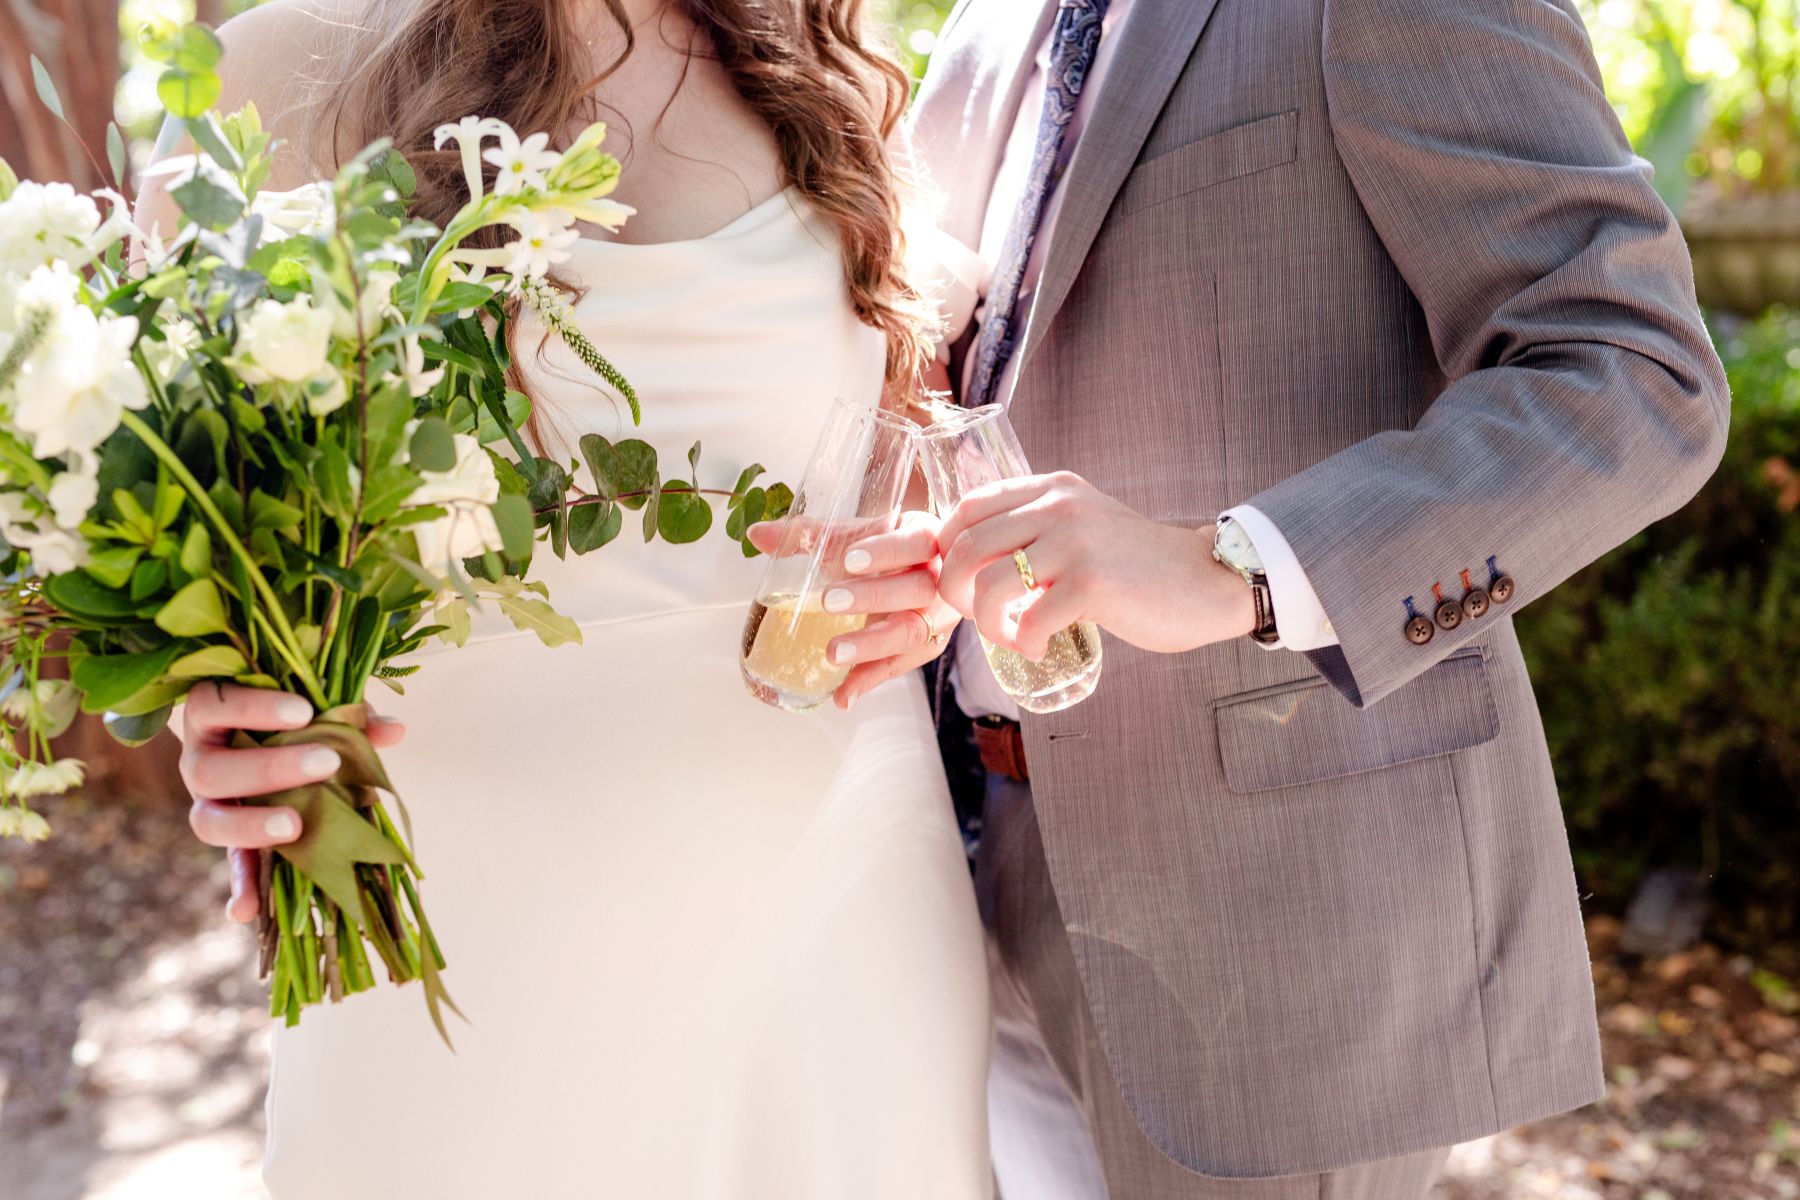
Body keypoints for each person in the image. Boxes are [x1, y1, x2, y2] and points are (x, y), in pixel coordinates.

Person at [864, 0, 1733, 1196]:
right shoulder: (979, 30)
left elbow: (1635, 374)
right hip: (954, 876)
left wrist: (1233, 567)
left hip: (1273, 925)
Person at [143, 1, 990, 1195]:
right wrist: (221, 713)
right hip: (458, 935)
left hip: (832, 903)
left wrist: (919, 583)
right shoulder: (280, 69)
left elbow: (903, 454)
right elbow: (208, 544)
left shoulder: (832, 63)